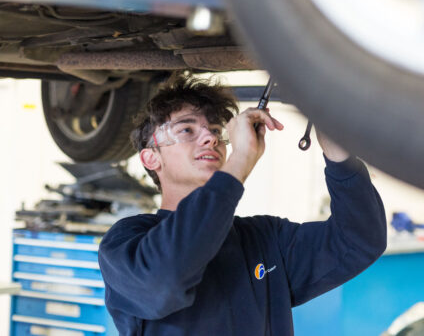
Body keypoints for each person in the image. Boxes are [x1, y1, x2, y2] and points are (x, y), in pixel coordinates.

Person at [98, 74, 387, 335]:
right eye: (187, 130)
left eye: (216, 130)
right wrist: (239, 162)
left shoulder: (263, 238)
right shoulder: (126, 242)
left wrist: (336, 144)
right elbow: (164, 281)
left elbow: (359, 240)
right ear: (151, 158)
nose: (211, 138)